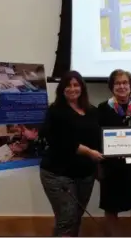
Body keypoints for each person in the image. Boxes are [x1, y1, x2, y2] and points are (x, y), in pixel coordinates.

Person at [39, 70, 103, 237]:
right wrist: (88, 152)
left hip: (85, 175)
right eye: (68, 85)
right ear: (62, 89)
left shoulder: (92, 111)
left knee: (75, 218)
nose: (72, 89)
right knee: (66, 218)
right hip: (57, 174)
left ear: (82, 87)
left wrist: (99, 164)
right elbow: (59, 141)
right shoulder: (55, 111)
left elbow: (98, 140)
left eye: (76, 85)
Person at [97, 69, 131, 237]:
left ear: (130, 86)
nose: (121, 86)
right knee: (110, 206)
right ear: (111, 87)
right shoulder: (103, 108)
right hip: (110, 165)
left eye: (125, 82)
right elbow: (98, 138)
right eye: (117, 83)